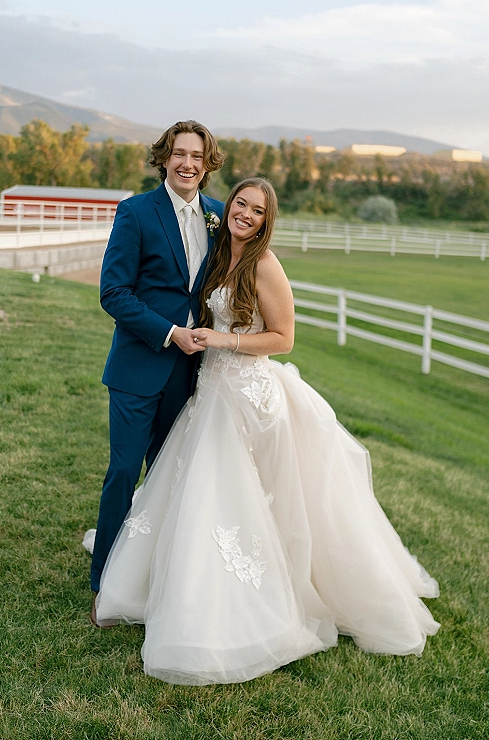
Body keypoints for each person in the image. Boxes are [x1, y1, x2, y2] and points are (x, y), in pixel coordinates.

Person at [90, 178, 440, 684]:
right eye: (241, 204)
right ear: (227, 205)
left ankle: (257, 597)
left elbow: (285, 338)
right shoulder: (216, 252)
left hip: (247, 395)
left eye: (258, 211)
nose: (246, 215)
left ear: (266, 219)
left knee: (246, 495)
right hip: (207, 390)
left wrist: (222, 340)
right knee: (198, 487)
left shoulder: (264, 264)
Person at [89, 120, 225, 623]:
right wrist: (169, 332)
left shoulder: (217, 215)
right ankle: (104, 579)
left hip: (192, 374)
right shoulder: (136, 212)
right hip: (138, 365)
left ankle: (154, 573)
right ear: (163, 158)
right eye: (179, 153)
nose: (187, 163)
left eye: (197, 155)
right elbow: (114, 292)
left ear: (208, 163)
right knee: (124, 471)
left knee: (169, 476)